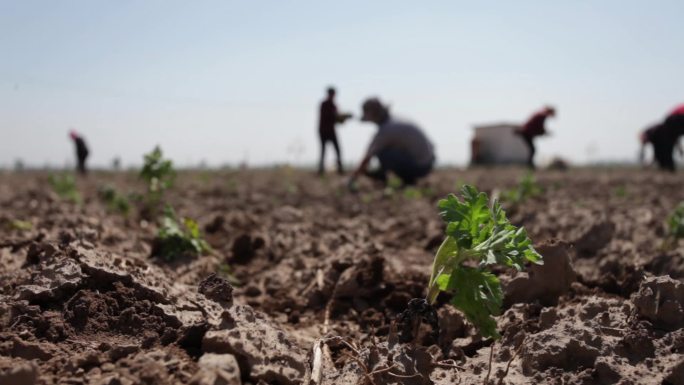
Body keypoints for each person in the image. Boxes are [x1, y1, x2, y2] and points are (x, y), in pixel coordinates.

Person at [348, 97, 435, 188]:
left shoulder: (386, 130)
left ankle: (400, 179)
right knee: (388, 150)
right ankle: (401, 178)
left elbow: (368, 157)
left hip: (420, 167)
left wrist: (353, 178)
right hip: (428, 162)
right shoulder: (396, 120)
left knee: (384, 153)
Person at [639, 104, 684, 171]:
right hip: (673, 120)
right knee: (664, 156)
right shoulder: (655, 134)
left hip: (673, 119)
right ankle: (667, 167)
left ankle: (667, 167)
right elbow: (674, 135)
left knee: (664, 155)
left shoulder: (654, 132)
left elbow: (674, 135)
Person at [318, 87, 351, 175]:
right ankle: (321, 169)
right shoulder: (324, 104)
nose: (333, 96)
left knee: (337, 150)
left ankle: (340, 168)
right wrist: (342, 117)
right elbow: (332, 117)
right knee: (323, 150)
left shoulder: (334, 105)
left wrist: (344, 118)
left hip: (331, 130)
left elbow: (337, 120)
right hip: (324, 130)